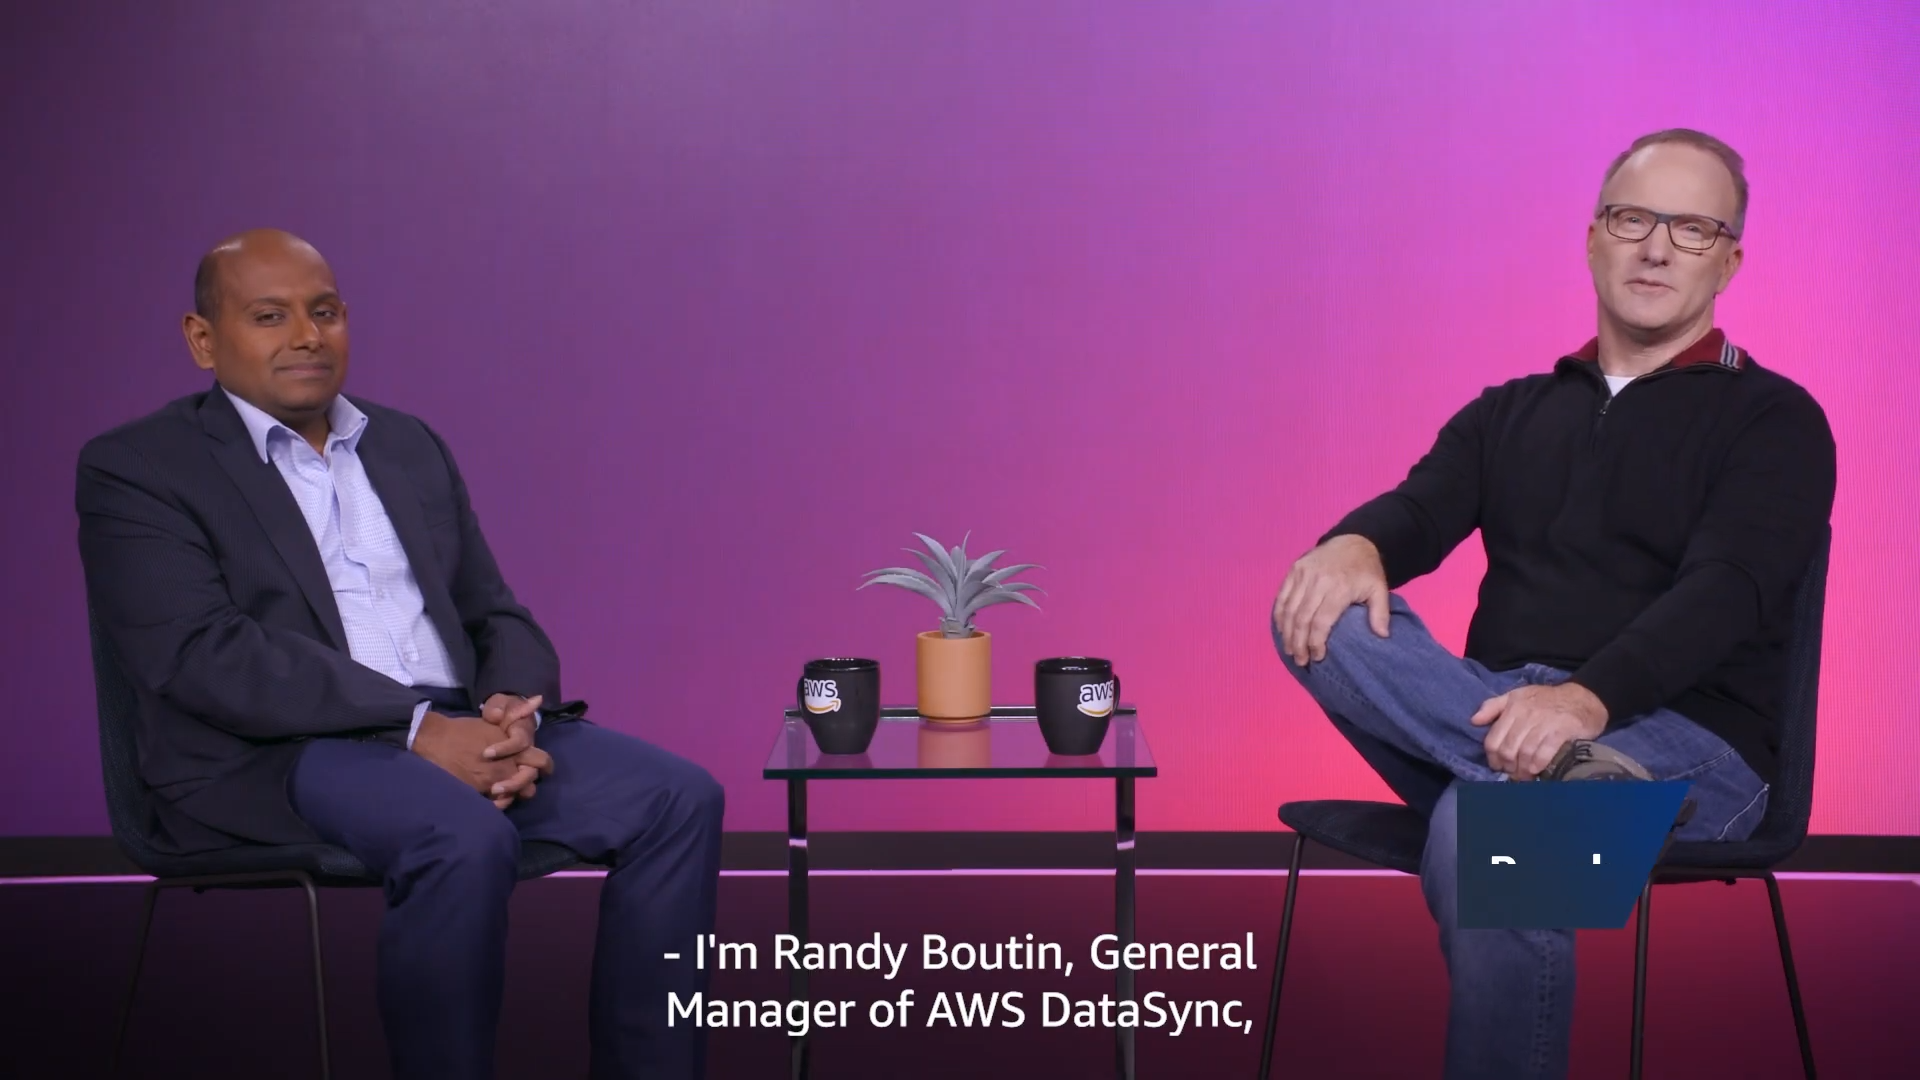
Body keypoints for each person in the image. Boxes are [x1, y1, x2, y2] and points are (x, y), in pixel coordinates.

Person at [76, 229, 725, 1079]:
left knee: (678, 798)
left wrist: (512, 708)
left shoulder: (405, 444)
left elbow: (494, 610)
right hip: (277, 753)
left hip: (457, 725)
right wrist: (416, 728)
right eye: (270, 316)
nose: (307, 335)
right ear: (203, 339)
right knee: (460, 835)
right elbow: (203, 654)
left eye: (325, 311)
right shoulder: (137, 468)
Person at [1269, 129, 1834, 1077]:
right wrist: (1354, 545)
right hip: (1496, 714)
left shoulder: (1776, 420)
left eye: (1692, 230)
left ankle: (1555, 777)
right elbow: (1415, 512)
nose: (1656, 247)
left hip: (1689, 741)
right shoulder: (1510, 411)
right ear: (1592, 239)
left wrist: (1582, 705)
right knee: (1320, 608)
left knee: (1485, 834)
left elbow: (1726, 593)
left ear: (1729, 262)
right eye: (1632, 219)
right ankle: (1548, 778)